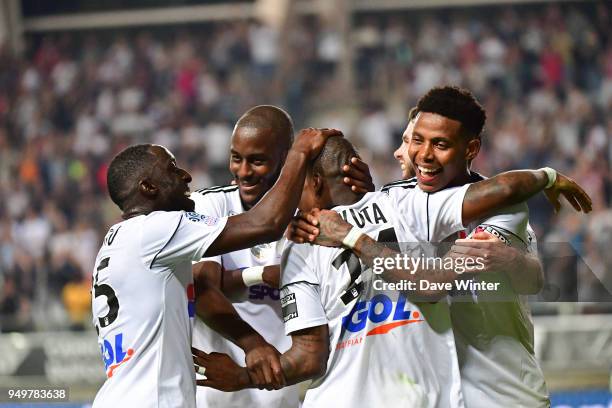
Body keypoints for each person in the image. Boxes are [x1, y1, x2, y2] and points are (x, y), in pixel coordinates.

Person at [192, 135, 590, 407]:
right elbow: (499, 190)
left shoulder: (301, 244)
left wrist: (244, 376)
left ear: (314, 181)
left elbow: (309, 358)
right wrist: (547, 176)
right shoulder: (408, 204)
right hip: (425, 396)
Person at [296, 86, 590, 407]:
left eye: (439, 144)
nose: (418, 153)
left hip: (502, 393)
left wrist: (510, 259)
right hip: (434, 395)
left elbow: (438, 284)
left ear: (470, 148)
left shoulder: (503, 208)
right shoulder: (396, 199)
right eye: (415, 140)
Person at [91, 126, 340, 408]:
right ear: (148, 188)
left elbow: (204, 283)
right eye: (172, 169)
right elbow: (265, 224)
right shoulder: (154, 230)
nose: (186, 176)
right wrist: (300, 152)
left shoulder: (118, 243)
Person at [190, 105, 301, 407]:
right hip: (219, 392)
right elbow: (201, 289)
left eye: (257, 161)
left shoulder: (309, 214)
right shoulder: (209, 206)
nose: (243, 171)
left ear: (286, 158)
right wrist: (263, 276)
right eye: (236, 158)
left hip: (284, 388)